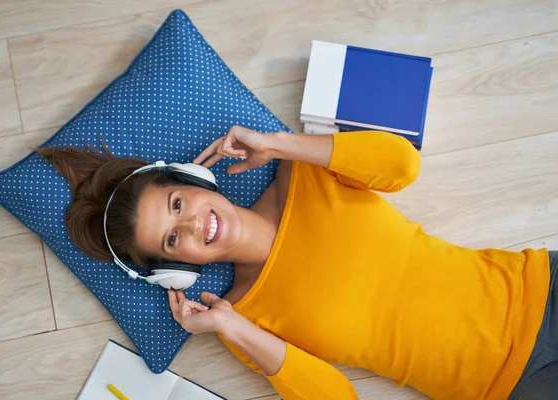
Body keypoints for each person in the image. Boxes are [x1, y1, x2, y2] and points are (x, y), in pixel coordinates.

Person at [37, 126, 558, 399]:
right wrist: (228, 327)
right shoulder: (244, 317)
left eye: (179, 205)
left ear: (194, 181)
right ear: (176, 270)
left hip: (540, 285)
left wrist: (283, 144)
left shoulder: (302, 174)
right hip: (509, 388)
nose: (194, 225)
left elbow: (403, 165)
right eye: (174, 240)